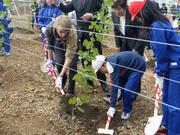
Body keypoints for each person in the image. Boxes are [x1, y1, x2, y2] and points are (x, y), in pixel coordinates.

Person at [128, 0, 180, 134]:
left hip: (176, 66)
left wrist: (160, 72)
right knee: (167, 97)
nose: (139, 20)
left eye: (138, 17)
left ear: (144, 13)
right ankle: (165, 125)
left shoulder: (157, 26)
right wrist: (161, 71)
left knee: (174, 104)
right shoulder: (161, 22)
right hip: (171, 65)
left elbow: (161, 52)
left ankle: (174, 132)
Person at [58, 0, 109, 93]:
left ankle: (103, 82)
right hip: (81, 35)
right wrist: (57, 2)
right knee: (84, 59)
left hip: (94, 33)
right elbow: (66, 8)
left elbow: (105, 11)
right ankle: (89, 81)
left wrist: (92, 15)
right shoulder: (75, 1)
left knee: (98, 58)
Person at [92, 51, 146, 119]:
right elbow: (117, 85)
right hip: (126, 68)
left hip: (138, 66)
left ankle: (127, 110)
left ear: (103, 64)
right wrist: (113, 102)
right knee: (122, 86)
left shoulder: (112, 65)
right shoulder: (110, 63)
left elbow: (115, 86)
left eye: (100, 70)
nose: (102, 72)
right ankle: (118, 98)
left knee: (127, 90)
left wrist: (112, 107)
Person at [44, 15, 78, 95]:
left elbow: (69, 57)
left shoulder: (73, 33)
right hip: (58, 42)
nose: (63, 34)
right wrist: (50, 60)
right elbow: (50, 45)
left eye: (65, 32)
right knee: (59, 63)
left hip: (71, 42)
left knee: (73, 65)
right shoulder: (49, 29)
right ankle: (62, 81)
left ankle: (71, 90)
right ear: (55, 27)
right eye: (61, 32)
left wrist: (60, 75)